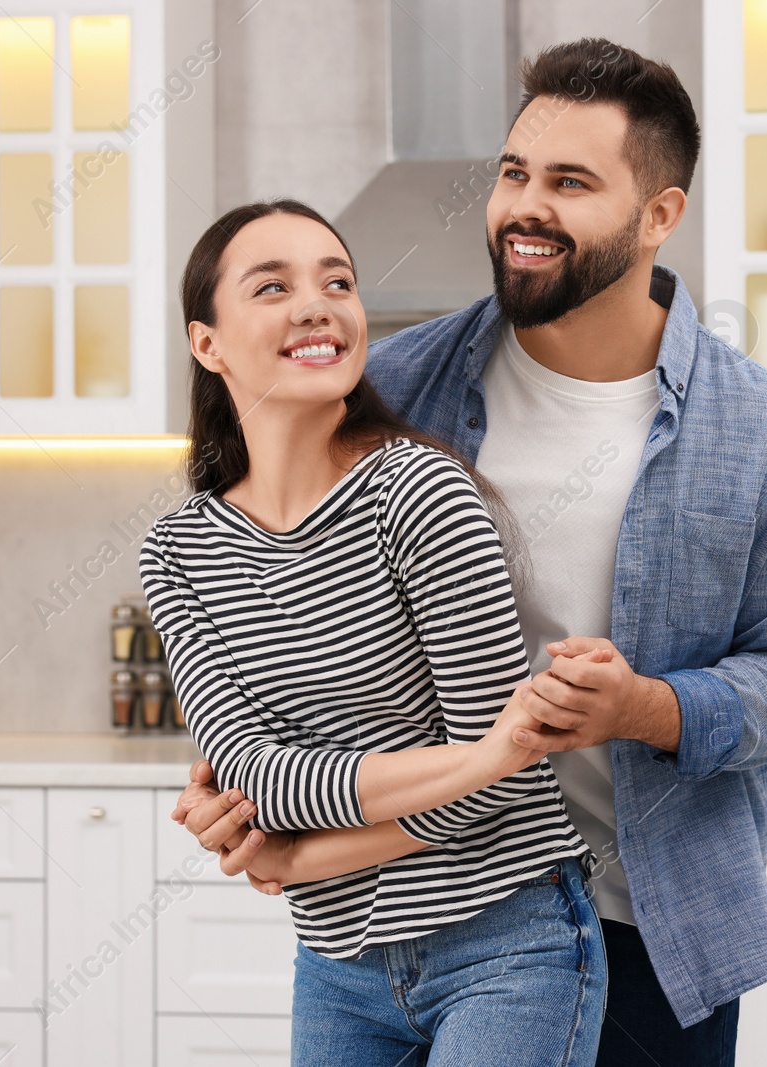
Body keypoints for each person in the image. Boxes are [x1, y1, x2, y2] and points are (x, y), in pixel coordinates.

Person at [173, 38, 767, 1066]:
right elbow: (274, 588)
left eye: (570, 182)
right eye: (512, 173)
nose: (524, 207)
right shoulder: (392, 389)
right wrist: (237, 777)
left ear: (658, 215)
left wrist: (644, 707)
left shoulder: (763, 432)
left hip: (650, 926)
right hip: (418, 907)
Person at [139, 198, 608, 1066]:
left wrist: (301, 860)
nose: (317, 304)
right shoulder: (179, 552)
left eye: (338, 281)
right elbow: (250, 776)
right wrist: (483, 755)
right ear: (207, 343)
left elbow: (498, 794)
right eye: (272, 286)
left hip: (507, 937)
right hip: (339, 965)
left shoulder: (419, 494)